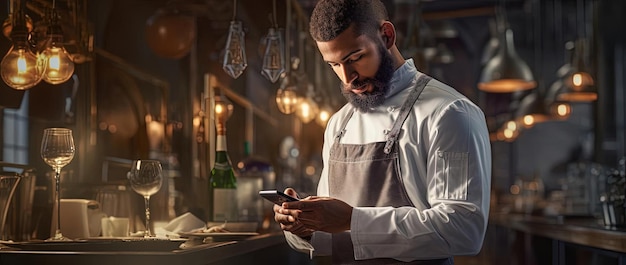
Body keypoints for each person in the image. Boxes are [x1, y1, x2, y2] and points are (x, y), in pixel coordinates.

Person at [272, 0, 492, 264]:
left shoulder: (449, 114)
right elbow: (332, 238)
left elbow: (463, 230)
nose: (347, 78)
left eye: (355, 58)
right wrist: (304, 226)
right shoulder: (339, 124)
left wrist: (351, 219)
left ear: (386, 36)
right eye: (334, 65)